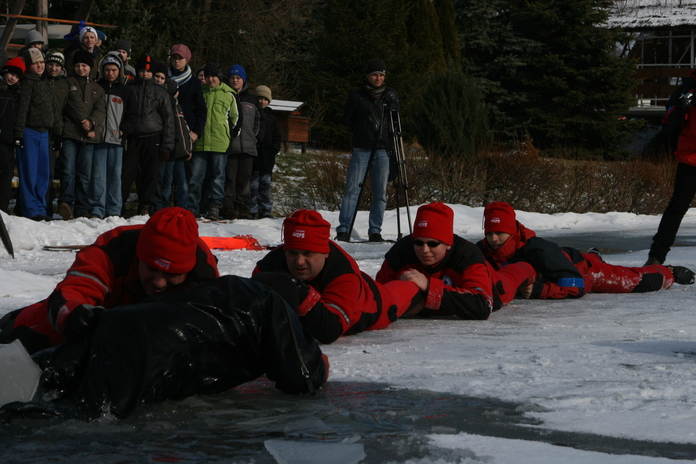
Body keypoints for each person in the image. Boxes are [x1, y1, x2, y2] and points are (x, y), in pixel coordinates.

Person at [3, 275, 328, 420]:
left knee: (40, 376)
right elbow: (301, 374)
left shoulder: (219, 289)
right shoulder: (269, 301)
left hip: (116, 323)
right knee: (84, 415)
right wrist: (319, 364)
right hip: (147, 348)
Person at [0, 207, 220, 354]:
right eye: (152, 269)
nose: (159, 282)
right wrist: (78, 315)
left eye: (172, 274)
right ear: (139, 257)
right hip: (37, 330)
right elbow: (73, 292)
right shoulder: (114, 248)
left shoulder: (204, 273)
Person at [253, 209, 423, 344]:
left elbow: (330, 330)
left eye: (308, 254)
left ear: (325, 253)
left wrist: (298, 292)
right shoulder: (268, 267)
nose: (299, 261)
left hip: (377, 303)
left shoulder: (343, 274)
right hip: (346, 291)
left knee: (411, 287)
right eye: (292, 253)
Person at [478, 202, 695, 300]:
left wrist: (541, 290)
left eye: (500, 233)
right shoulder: (483, 250)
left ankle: (669, 272)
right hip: (565, 259)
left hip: (582, 272)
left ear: (513, 232)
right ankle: (594, 256)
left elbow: (577, 285)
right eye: (489, 233)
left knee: (634, 281)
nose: (494, 239)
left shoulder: (539, 251)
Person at [376, 202, 536, 319]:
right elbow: (379, 292)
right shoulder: (401, 252)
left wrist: (428, 286)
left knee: (514, 274)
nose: (424, 250)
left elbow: (482, 306)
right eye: (418, 242)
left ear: (447, 244)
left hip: (496, 285)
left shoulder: (467, 255)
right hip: (453, 290)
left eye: (433, 244)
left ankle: (529, 268)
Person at [335, 59, 398, 243]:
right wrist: (360, 130)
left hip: (382, 149)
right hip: (362, 148)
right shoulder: (357, 96)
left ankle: (375, 230)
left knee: (380, 193)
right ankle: (344, 229)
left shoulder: (391, 95)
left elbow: (396, 122)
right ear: (368, 76)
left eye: (381, 75)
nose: (378, 78)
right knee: (352, 190)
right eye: (375, 75)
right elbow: (347, 120)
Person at [646, 76, 696, 265]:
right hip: (690, 158)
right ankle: (656, 258)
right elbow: (670, 126)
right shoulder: (689, 87)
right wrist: (682, 108)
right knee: (676, 208)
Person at [121, 54, 175, 216]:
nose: (145, 74)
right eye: (142, 70)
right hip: (132, 138)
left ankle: (145, 205)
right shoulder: (129, 88)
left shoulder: (160, 91)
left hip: (153, 137)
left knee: (151, 175)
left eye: (148, 71)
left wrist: (167, 145)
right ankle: (120, 203)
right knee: (127, 173)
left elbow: (168, 119)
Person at [14, 48, 62, 221]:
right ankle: (30, 208)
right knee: (29, 172)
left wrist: (58, 132)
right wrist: (19, 133)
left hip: (45, 134)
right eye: (36, 63)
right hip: (29, 132)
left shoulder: (46, 82)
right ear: (29, 65)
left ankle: (41, 206)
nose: (40, 65)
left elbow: (54, 110)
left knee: (43, 174)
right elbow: (23, 109)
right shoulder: (27, 83)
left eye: (42, 62)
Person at [57, 49, 106, 219]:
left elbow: (101, 109)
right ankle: (66, 204)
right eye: (77, 65)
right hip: (71, 133)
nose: (81, 68)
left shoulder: (98, 88)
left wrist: (92, 122)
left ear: (90, 67)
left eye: (84, 65)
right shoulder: (68, 82)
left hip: (89, 137)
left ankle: (82, 207)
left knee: (85, 173)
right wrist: (85, 122)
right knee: (68, 170)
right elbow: (73, 104)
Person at [188, 62, 238, 219]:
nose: (211, 79)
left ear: (220, 77)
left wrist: (230, 136)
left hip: (219, 143)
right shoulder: (198, 92)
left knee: (218, 177)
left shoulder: (229, 94)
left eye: (214, 76)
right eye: (208, 76)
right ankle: (192, 207)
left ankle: (215, 207)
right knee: (195, 177)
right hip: (200, 142)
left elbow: (236, 119)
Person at [94, 53, 138, 218]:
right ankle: (98, 208)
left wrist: (123, 130)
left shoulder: (126, 90)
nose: (110, 73)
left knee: (115, 176)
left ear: (119, 70)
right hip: (98, 139)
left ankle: (114, 210)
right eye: (107, 69)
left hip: (117, 140)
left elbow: (133, 116)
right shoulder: (97, 87)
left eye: (113, 69)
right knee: (98, 175)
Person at [223, 64, 262, 220]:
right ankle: (229, 207)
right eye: (232, 78)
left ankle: (244, 207)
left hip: (248, 147)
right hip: (230, 146)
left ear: (243, 80)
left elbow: (260, 121)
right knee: (230, 179)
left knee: (244, 180)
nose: (235, 80)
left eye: (238, 78)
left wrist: (255, 137)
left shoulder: (252, 99)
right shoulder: (225, 95)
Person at [155, 78, 192, 210]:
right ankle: (165, 206)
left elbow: (184, 129)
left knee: (180, 181)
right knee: (167, 181)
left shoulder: (178, 105)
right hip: (171, 150)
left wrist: (187, 148)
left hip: (180, 152)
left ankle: (181, 206)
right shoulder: (168, 104)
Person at [44, 49, 69, 217]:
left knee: (51, 172)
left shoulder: (64, 85)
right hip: (39, 130)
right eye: (51, 64)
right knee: (40, 170)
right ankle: (41, 206)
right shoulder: (41, 81)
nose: (53, 68)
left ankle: (49, 206)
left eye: (57, 65)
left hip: (56, 132)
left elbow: (64, 110)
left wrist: (60, 133)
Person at [250, 85, 281, 219]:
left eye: (265, 99)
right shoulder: (252, 115)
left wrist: (274, 149)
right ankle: (252, 210)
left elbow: (277, 136)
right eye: (260, 99)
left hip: (267, 158)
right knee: (253, 187)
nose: (262, 102)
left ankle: (265, 211)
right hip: (254, 158)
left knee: (265, 187)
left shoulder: (272, 119)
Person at [0, 57, 23, 213]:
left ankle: (2, 210)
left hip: (8, 141)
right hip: (1, 139)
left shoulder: (14, 92)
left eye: (17, 76)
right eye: (11, 74)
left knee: (6, 176)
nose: (13, 78)